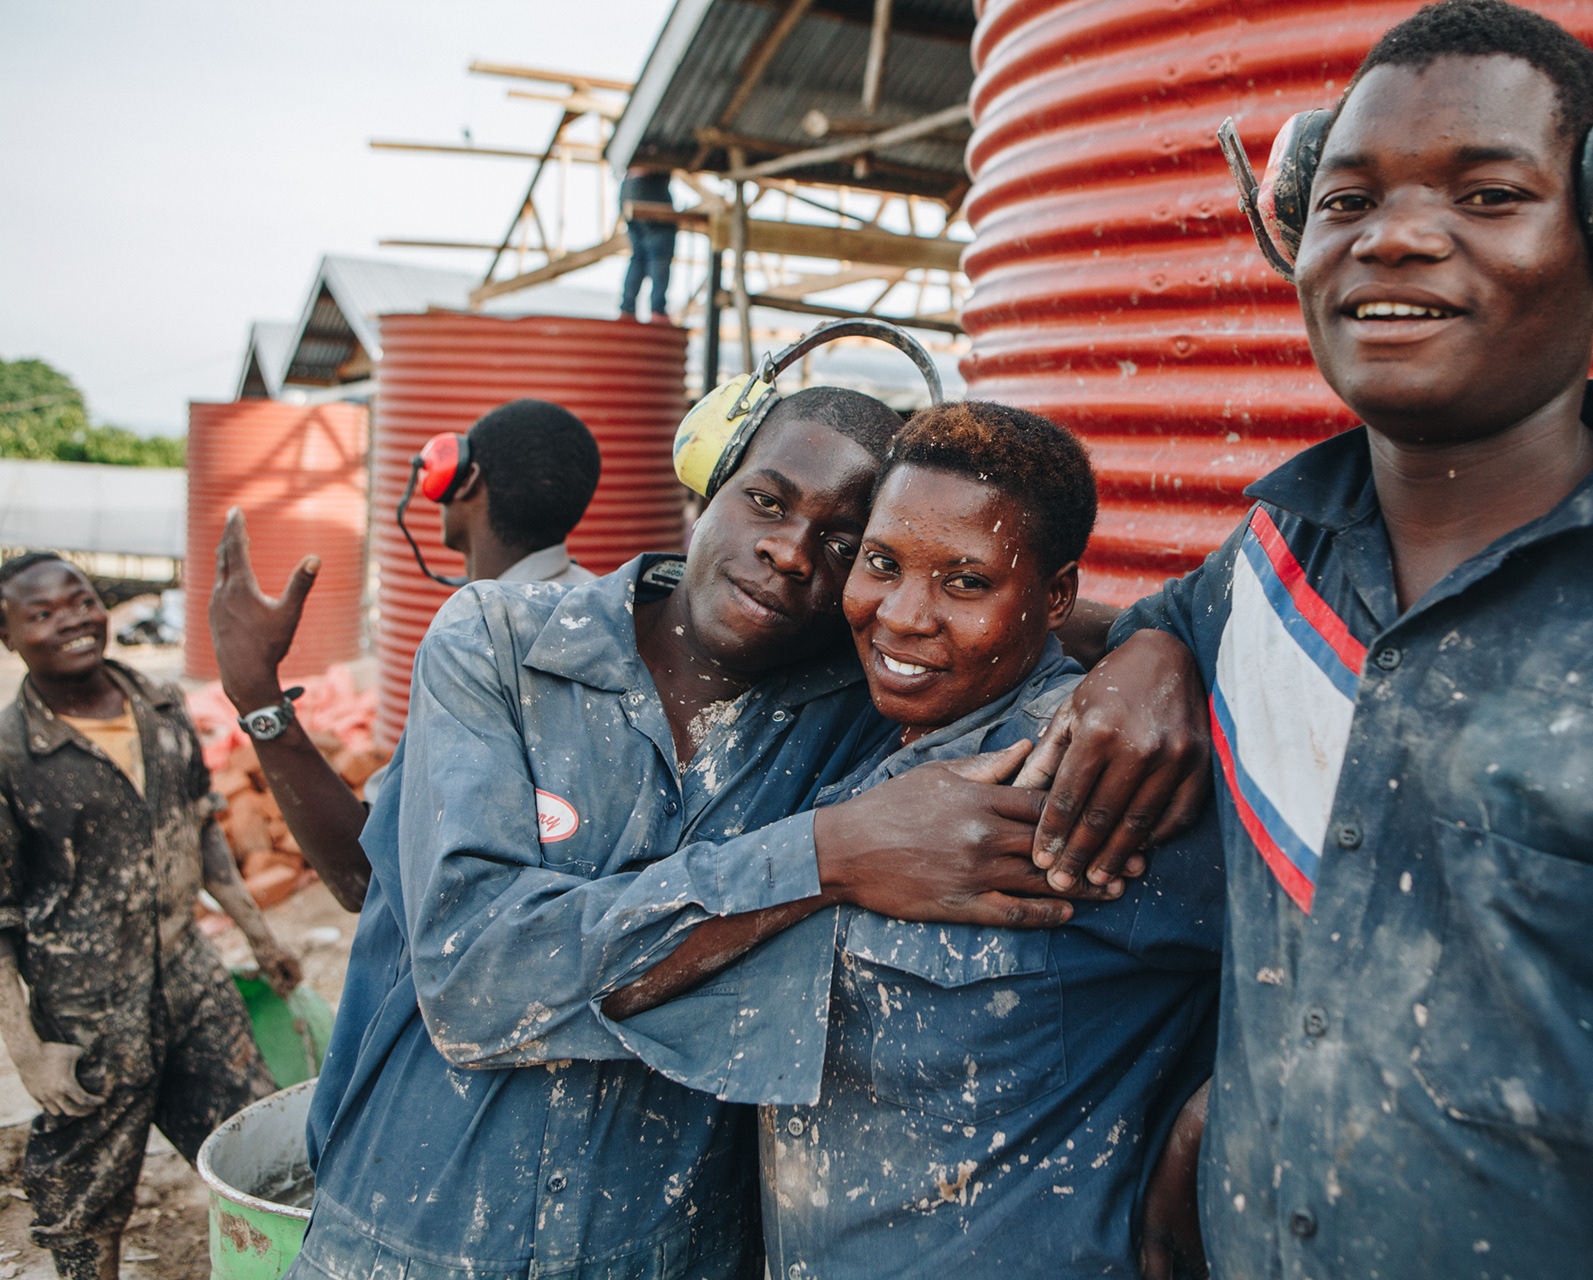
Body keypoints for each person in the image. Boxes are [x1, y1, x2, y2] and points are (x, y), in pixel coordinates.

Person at [1028, 2, 1593, 1276]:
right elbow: (1184, 613)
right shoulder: (1277, 567)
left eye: (1491, 194)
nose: (1392, 236)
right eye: (1346, 200)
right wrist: (1149, 649)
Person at [286, 387, 1128, 1280]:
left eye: (846, 543)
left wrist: (1153, 649)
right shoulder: (498, 643)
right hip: (414, 1239)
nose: (790, 551)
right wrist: (832, 854)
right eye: (766, 500)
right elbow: (478, 975)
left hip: (673, 1255)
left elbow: (996, 588)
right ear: (706, 489)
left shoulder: (869, 693)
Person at [610, 401, 1225, 1276]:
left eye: (965, 583)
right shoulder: (860, 736)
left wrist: (1200, 1145)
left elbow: (1327, 967)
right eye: (882, 562)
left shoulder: (1090, 784)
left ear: (1055, 596)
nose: (902, 616)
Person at [0, 553, 295, 1280]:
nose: (71, 619)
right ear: (8, 637)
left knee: (260, 1155)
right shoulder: (12, 755)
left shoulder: (161, 705)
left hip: (193, 981)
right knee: (83, 1204)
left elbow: (201, 828)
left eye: (82, 600)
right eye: (41, 614)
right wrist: (29, 1049)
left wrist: (259, 936)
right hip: (89, 1014)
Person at [207, 396, 603, 912]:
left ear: (463, 479)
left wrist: (255, 687)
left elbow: (364, 872)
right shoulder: (608, 610)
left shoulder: (470, 639)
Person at [620, 153, 678, 324]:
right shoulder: (661, 142)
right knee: (659, 255)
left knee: (639, 257)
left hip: (628, 191)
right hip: (649, 194)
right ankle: (658, 310)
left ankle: (627, 309)